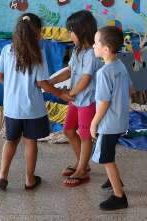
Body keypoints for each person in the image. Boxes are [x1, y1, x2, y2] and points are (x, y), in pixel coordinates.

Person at [0, 13, 72, 191]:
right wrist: (61, 94)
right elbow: (42, 83)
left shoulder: (7, 50)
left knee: (11, 141)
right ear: (36, 32)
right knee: (30, 142)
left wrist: (13, 85)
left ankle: (2, 176)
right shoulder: (38, 52)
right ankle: (29, 180)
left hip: (12, 108)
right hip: (32, 109)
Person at [48, 10, 101, 186]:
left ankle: (82, 170)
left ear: (82, 31)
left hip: (87, 101)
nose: (69, 34)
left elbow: (85, 79)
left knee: (85, 135)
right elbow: (70, 71)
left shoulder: (92, 54)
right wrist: (52, 80)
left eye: (71, 31)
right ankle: (82, 164)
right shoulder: (77, 51)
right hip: (76, 100)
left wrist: (69, 94)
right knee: (69, 130)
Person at [90, 26, 132, 211]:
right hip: (121, 119)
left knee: (106, 158)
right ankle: (113, 178)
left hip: (108, 123)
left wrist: (94, 122)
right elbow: (131, 89)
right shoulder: (120, 65)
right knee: (109, 152)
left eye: (96, 43)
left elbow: (104, 102)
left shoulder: (104, 73)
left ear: (105, 49)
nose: (93, 45)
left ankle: (118, 196)